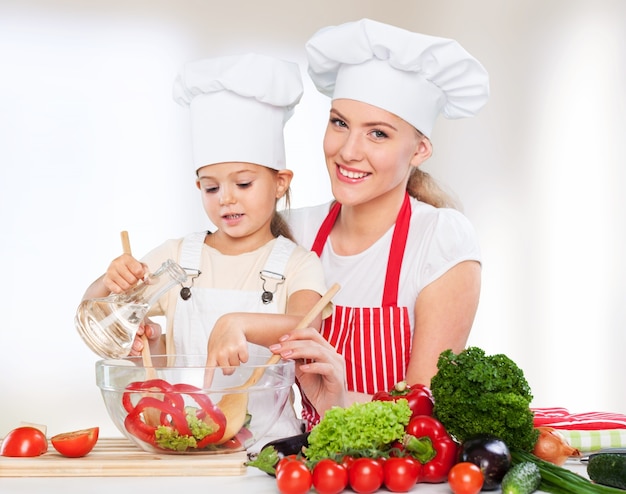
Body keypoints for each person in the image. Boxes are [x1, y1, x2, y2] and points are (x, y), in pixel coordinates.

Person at [81, 52, 331, 437]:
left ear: (281, 182)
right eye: (211, 187)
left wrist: (237, 323)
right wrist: (108, 282)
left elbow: (306, 325)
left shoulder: (298, 264)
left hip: (271, 445)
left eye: (243, 184)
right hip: (186, 439)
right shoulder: (177, 256)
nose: (226, 198)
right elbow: (100, 316)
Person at [272, 18, 490, 429]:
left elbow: (422, 411)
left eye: (378, 134)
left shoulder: (440, 239)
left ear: (420, 149)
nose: (348, 151)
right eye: (339, 123)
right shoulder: (291, 230)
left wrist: (337, 403)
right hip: (278, 466)